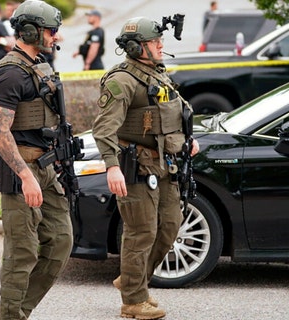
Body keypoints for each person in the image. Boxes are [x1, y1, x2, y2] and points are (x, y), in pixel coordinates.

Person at [91, 16, 199, 319]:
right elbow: (103, 129)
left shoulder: (157, 75)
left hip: (166, 164)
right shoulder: (121, 80)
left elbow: (172, 115)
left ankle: (131, 280)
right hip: (136, 167)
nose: (161, 45)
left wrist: (188, 140)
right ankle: (133, 300)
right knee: (141, 232)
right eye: (154, 42)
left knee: (169, 227)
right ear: (137, 47)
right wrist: (112, 167)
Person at [0, 1, 72, 319]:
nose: (55, 36)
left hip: (45, 166)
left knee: (61, 241)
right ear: (30, 31)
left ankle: (15, 310)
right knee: (21, 251)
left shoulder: (39, 64)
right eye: (51, 30)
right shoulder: (10, 73)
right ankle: (12, 314)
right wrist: (25, 176)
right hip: (21, 170)